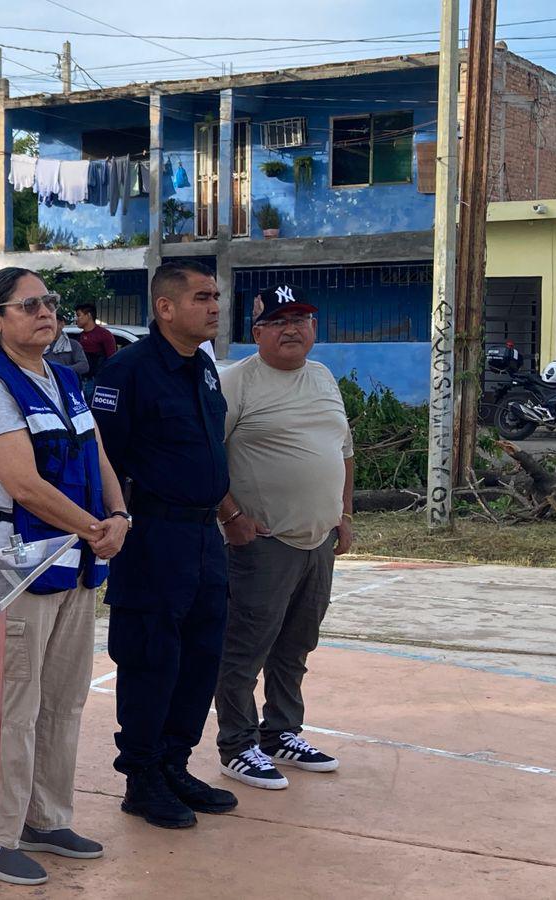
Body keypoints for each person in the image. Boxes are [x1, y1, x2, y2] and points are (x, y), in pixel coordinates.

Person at [0, 268, 128, 886]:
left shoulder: (63, 377)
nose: (45, 311)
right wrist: (94, 527)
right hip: (13, 562)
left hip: (75, 557)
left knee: (63, 697)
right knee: (14, 704)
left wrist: (118, 514)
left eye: (49, 302)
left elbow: (98, 454)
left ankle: (47, 817)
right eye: (28, 305)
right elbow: (23, 484)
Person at [91, 259, 238, 830]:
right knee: (152, 657)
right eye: (202, 297)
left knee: (201, 656)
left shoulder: (202, 367)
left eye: (216, 297)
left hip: (205, 536)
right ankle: (143, 777)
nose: (214, 306)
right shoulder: (126, 372)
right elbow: (107, 457)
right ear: (166, 307)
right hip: (153, 536)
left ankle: (175, 763)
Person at [213, 285, 353, 790]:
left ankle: (281, 734)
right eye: (277, 321)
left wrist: (344, 511)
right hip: (263, 543)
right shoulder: (235, 383)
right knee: (245, 648)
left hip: (318, 540)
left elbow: (343, 447)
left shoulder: (323, 378)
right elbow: (208, 459)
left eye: (301, 319)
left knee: (296, 646)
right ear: (257, 333)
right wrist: (231, 517)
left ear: (314, 329)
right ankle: (237, 745)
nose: (291, 328)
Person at [44, 315, 94, 385]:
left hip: (68, 385)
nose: (49, 326)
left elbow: (84, 366)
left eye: (52, 322)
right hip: (45, 384)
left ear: (61, 324)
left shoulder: (73, 345)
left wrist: (61, 370)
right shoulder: (40, 345)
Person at [75, 302, 118, 380]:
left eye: (78, 315)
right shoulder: (79, 337)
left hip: (96, 379)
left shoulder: (104, 335)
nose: (76, 319)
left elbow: (112, 359)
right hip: (80, 379)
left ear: (88, 315)